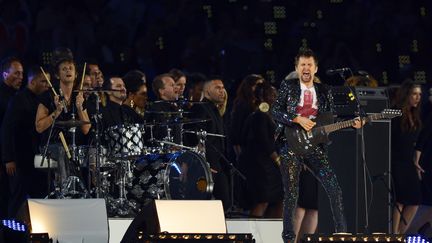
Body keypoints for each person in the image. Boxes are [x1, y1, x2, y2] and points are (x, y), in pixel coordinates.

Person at [272, 48, 362, 243]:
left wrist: (352, 123)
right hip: (290, 144)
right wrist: (296, 118)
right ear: (297, 68)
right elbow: (276, 111)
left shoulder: (324, 91)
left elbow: (329, 118)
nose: (306, 68)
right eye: (302, 64)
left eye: (309, 64)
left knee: (334, 187)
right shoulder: (288, 86)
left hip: (314, 146)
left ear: (316, 68)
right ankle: (288, 239)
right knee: (292, 193)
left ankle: (342, 234)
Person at [1, 67, 49, 217]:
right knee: (17, 196)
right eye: (43, 81)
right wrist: (9, 159)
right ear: (33, 82)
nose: (48, 85)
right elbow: (7, 129)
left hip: (33, 158)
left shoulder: (40, 100)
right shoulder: (19, 100)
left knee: (36, 194)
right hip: (19, 159)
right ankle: (10, 233)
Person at [238, 82, 283, 218]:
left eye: (276, 94)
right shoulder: (259, 115)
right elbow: (265, 142)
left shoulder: (272, 114)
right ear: (262, 96)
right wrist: (278, 161)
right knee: (263, 201)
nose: (275, 97)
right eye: (271, 94)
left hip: (272, 168)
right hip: (262, 167)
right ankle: (254, 234)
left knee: (278, 201)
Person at [189, 77, 230, 211]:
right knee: (219, 202)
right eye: (217, 88)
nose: (222, 91)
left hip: (216, 163)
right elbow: (196, 139)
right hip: (208, 165)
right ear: (206, 91)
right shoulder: (200, 108)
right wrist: (203, 163)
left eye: (223, 87)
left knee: (224, 203)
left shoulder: (213, 109)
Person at [390, 81, 422, 233]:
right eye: (414, 94)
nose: (418, 97)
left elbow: (419, 140)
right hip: (396, 162)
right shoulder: (396, 114)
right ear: (406, 95)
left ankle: (401, 234)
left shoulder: (415, 115)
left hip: (408, 162)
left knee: (415, 200)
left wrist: (416, 158)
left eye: (420, 94)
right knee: (400, 201)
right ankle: (394, 234)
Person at [0, 57, 23, 218]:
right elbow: (5, 129)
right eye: (16, 73)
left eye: (22, 74)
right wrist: (7, 158)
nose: (20, 77)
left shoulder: (17, 96)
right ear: (5, 74)